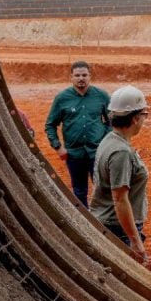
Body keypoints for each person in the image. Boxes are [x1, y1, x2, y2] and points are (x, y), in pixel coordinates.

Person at [90, 85, 150, 263]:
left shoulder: (110, 140)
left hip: (112, 223)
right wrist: (135, 241)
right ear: (135, 119)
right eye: (144, 115)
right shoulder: (121, 152)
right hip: (118, 228)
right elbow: (119, 199)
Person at [45, 61, 110, 207]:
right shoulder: (62, 99)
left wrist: (105, 140)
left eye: (84, 75)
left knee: (103, 189)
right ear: (71, 77)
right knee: (79, 191)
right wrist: (58, 147)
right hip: (74, 154)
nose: (81, 78)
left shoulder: (101, 96)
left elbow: (112, 121)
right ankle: (85, 222)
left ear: (90, 76)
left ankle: (104, 222)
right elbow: (50, 125)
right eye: (77, 75)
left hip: (97, 153)